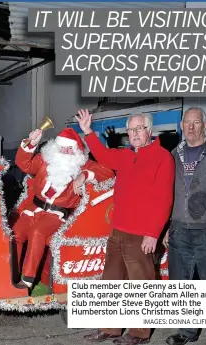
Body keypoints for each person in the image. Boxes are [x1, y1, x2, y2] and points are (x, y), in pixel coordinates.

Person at [76, 109, 175, 345]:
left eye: (139, 128)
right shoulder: (126, 155)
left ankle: (139, 334)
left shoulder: (163, 157)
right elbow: (102, 155)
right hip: (118, 230)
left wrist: (152, 234)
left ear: (149, 131)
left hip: (141, 233)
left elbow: (164, 200)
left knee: (140, 283)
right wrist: (88, 131)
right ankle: (110, 329)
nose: (135, 133)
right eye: (131, 129)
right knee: (112, 280)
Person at [13, 127, 114, 292]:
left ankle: (28, 280)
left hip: (57, 215)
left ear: (77, 152)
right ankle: (11, 274)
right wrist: (31, 143)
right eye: (63, 147)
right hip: (33, 209)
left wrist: (85, 175)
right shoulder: (43, 160)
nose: (66, 152)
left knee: (37, 232)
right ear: (55, 148)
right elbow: (23, 163)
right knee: (16, 232)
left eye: (70, 148)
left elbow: (108, 173)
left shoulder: (81, 165)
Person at [164, 107, 206, 345]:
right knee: (182, 285)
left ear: (204, 125)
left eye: (195, 123)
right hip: (179, 228)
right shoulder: (174, 153)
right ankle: (186, 332)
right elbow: (167, 192)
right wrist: (168, 225)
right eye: (186, 122)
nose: (190, 127)